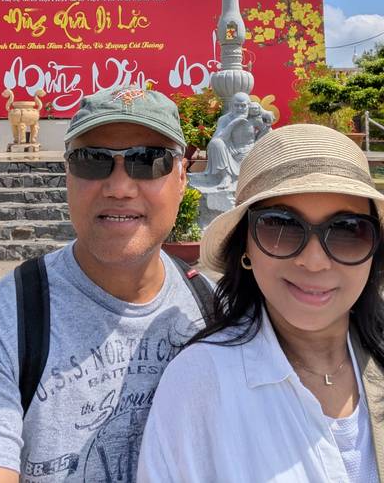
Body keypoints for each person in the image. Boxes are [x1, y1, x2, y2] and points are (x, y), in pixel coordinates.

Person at [0, 87, 211, 482]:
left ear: (182, 177)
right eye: (93, 161)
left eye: (148, 161)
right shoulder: (1, 326)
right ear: (68, 174)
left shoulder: (213, 311)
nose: (119, 187)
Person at [138, 123, 384, 482]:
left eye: (348, 231)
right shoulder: (201, 384)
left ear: (374, 250)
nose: (314, 261)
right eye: (281, 226)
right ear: (246, 248)